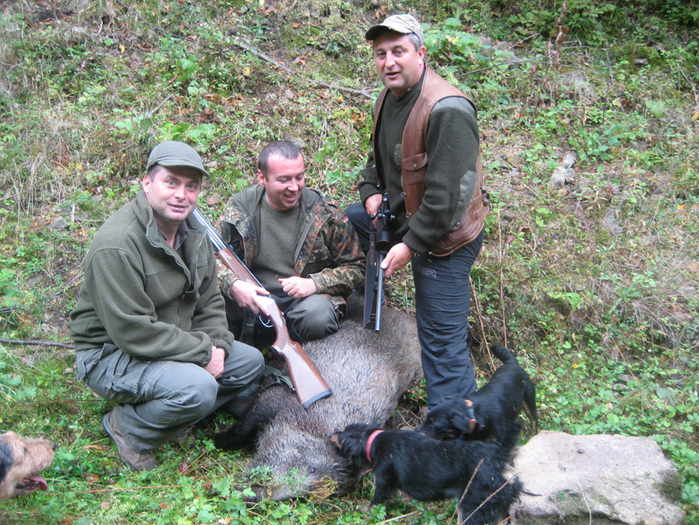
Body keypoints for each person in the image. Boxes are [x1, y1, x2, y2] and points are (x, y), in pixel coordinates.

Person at [69, 141, 265, 471]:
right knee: (200, 387)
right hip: (110, 354)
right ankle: (128, 428)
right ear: (147, 184)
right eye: (171, 182)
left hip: (172, 341)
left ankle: (173, 416)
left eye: (191, 186)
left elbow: (210, 302)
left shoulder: (194, 233)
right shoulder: (117, 245)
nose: (181, 195)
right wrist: (204, 353)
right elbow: (134, 333)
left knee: (249, 362)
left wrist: (217, 345)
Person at [345, 14, 489, 409]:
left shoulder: (448, 110)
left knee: (441, 339)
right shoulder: (388, 97)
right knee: (348, 220)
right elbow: (380, 162)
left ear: (421, 54)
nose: (389, 62)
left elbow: (446, 200)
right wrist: (371, 192)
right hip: (408, 214)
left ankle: (456, 436)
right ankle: (363, 302)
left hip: (444, 238)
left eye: (398, 52)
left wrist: (408, 247)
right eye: (381, 54)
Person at [217, 140, 364, 344]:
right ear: (262, 178)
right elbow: (212, 259)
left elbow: (357, 267)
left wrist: (314, 283)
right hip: (251, 299)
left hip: (300, 303)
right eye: (284, 180)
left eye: (299, 177)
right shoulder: (240, 209)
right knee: (211, 297)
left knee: (318, 316)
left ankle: (286, 345)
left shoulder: (325, 212)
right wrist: (233, 284)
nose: (294, 187)